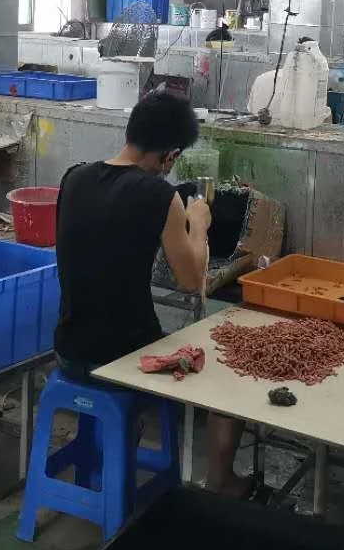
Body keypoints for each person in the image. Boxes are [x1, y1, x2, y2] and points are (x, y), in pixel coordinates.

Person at [52, 91, 250, 497]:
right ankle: (221, 480)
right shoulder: (162, 197)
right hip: (124, 359)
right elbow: (192, 280)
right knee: (233, 367)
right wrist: (199, 223)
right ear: (170, 156)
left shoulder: (74, 178)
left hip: (68, 349)